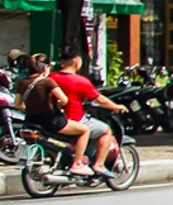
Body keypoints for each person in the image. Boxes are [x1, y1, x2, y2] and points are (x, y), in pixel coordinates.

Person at [47, 48, 129, 176]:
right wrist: (116, 106)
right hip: (75, 119)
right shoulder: (80, 81)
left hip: (54, 118)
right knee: (106, 130)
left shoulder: (51, 77)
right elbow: (100, 99)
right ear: (76, 62)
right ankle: (98, 165)